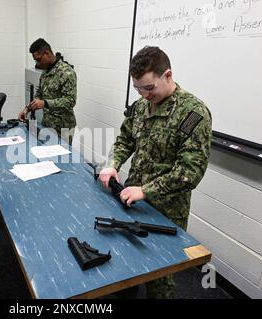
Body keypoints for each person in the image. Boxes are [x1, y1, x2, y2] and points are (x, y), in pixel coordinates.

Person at [99, 46, 212, 298]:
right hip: (130, 198)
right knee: (126, 266)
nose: (144, 94)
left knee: (159, 278)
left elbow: (189, 172)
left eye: (149, 88)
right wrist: (113, 164)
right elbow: (125, 140)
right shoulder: (141, 106)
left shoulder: (193, 113)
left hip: (166, 211)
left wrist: (146, 190)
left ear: (168, 75)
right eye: (138, 88)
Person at [18, 38, 77, 144]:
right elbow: (39, 94)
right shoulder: (45, 73)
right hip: (47, 125)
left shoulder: (67, 72)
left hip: (63, 128)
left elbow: (70, 101)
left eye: (39, 59)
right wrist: (28, 108)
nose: (38, 63)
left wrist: (45, 103)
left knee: (62, 159)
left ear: (47, 53)